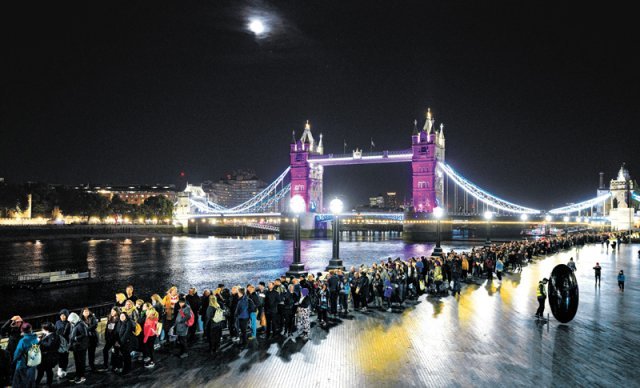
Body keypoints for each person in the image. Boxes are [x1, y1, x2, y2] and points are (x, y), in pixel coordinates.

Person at [12, 322, 38, 388]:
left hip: (22, 364)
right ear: (31, 329)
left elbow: (17, 353)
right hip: (32, 363)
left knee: (19, 382)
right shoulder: (35, 338)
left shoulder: (23, 341)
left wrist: (13, 360)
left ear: (22, 330)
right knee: (30, 380)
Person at [35, 323, 59, 387]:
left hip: (49, 357)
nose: (42, 330)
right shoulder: (46, 334)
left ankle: (49, 383)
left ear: (47, 329)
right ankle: (37, 382)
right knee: (40, 370)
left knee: (48, 371)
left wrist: (40, 341)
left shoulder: (53, 336)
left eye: (43, 329)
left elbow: (50, 345)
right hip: (43, 357)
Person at [68, 312, 89, 384]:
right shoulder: (75, 324)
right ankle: (77, 375)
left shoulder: (80, 324)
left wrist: (76, 338)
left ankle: (82, 376)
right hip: (76, 347)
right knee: (77, 362)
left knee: (81, 362)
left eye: (71, 320)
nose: (70, 322)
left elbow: (85, 334)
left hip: (81, 347)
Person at [99, 307, 120, 372]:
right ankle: (105, 365)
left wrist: (117, 340)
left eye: (113, 311)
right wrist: (106, 336)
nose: (112, 312)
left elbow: (118, 330)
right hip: (109, 338)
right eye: (111, 311)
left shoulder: (119, 319)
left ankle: (116, 366)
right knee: (105, 350)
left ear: (117, 312)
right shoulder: (110, 318)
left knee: (116, 353)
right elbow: (107, 328)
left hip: (115, 339)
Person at [55, 309, 71, 378]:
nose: (62, 317)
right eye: (61, 315)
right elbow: (55, 330)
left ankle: (64, 369)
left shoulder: (69, 323)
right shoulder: (57, 322)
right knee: (60, 356)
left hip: (66, 342)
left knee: (65, 356)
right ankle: (60, 369)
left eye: (64, 315)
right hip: (59, 342)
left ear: (67, 316)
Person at [81, 308, 98, 372]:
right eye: (85, 311)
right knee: (84, 353)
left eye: (87, 311)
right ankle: (83, 365)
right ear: (82, 312)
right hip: (84, 339)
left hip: (92, 337)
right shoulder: (80, 319)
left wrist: (87, 329)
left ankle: (92, 364)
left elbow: (95, 325)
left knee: (91, 352)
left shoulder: (92, 317)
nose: (86, 312)